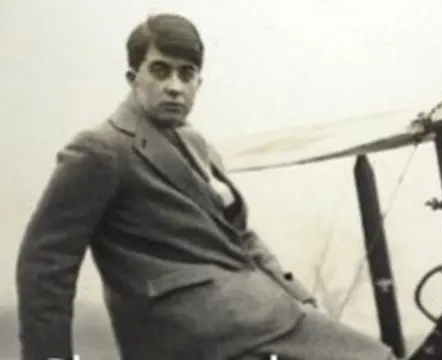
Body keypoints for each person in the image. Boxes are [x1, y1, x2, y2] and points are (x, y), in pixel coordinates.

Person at [15, 13, 397, 360]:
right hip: (190, 332)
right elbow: (46, 264)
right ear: (134, 79)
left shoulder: (197, 145)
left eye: (186, 73)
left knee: (379, 355)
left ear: (200, 81)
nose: (175, 87)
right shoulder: (101, 149)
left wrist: (301, 298)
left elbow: (241, 236)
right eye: (160, 71)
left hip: (253, 313)